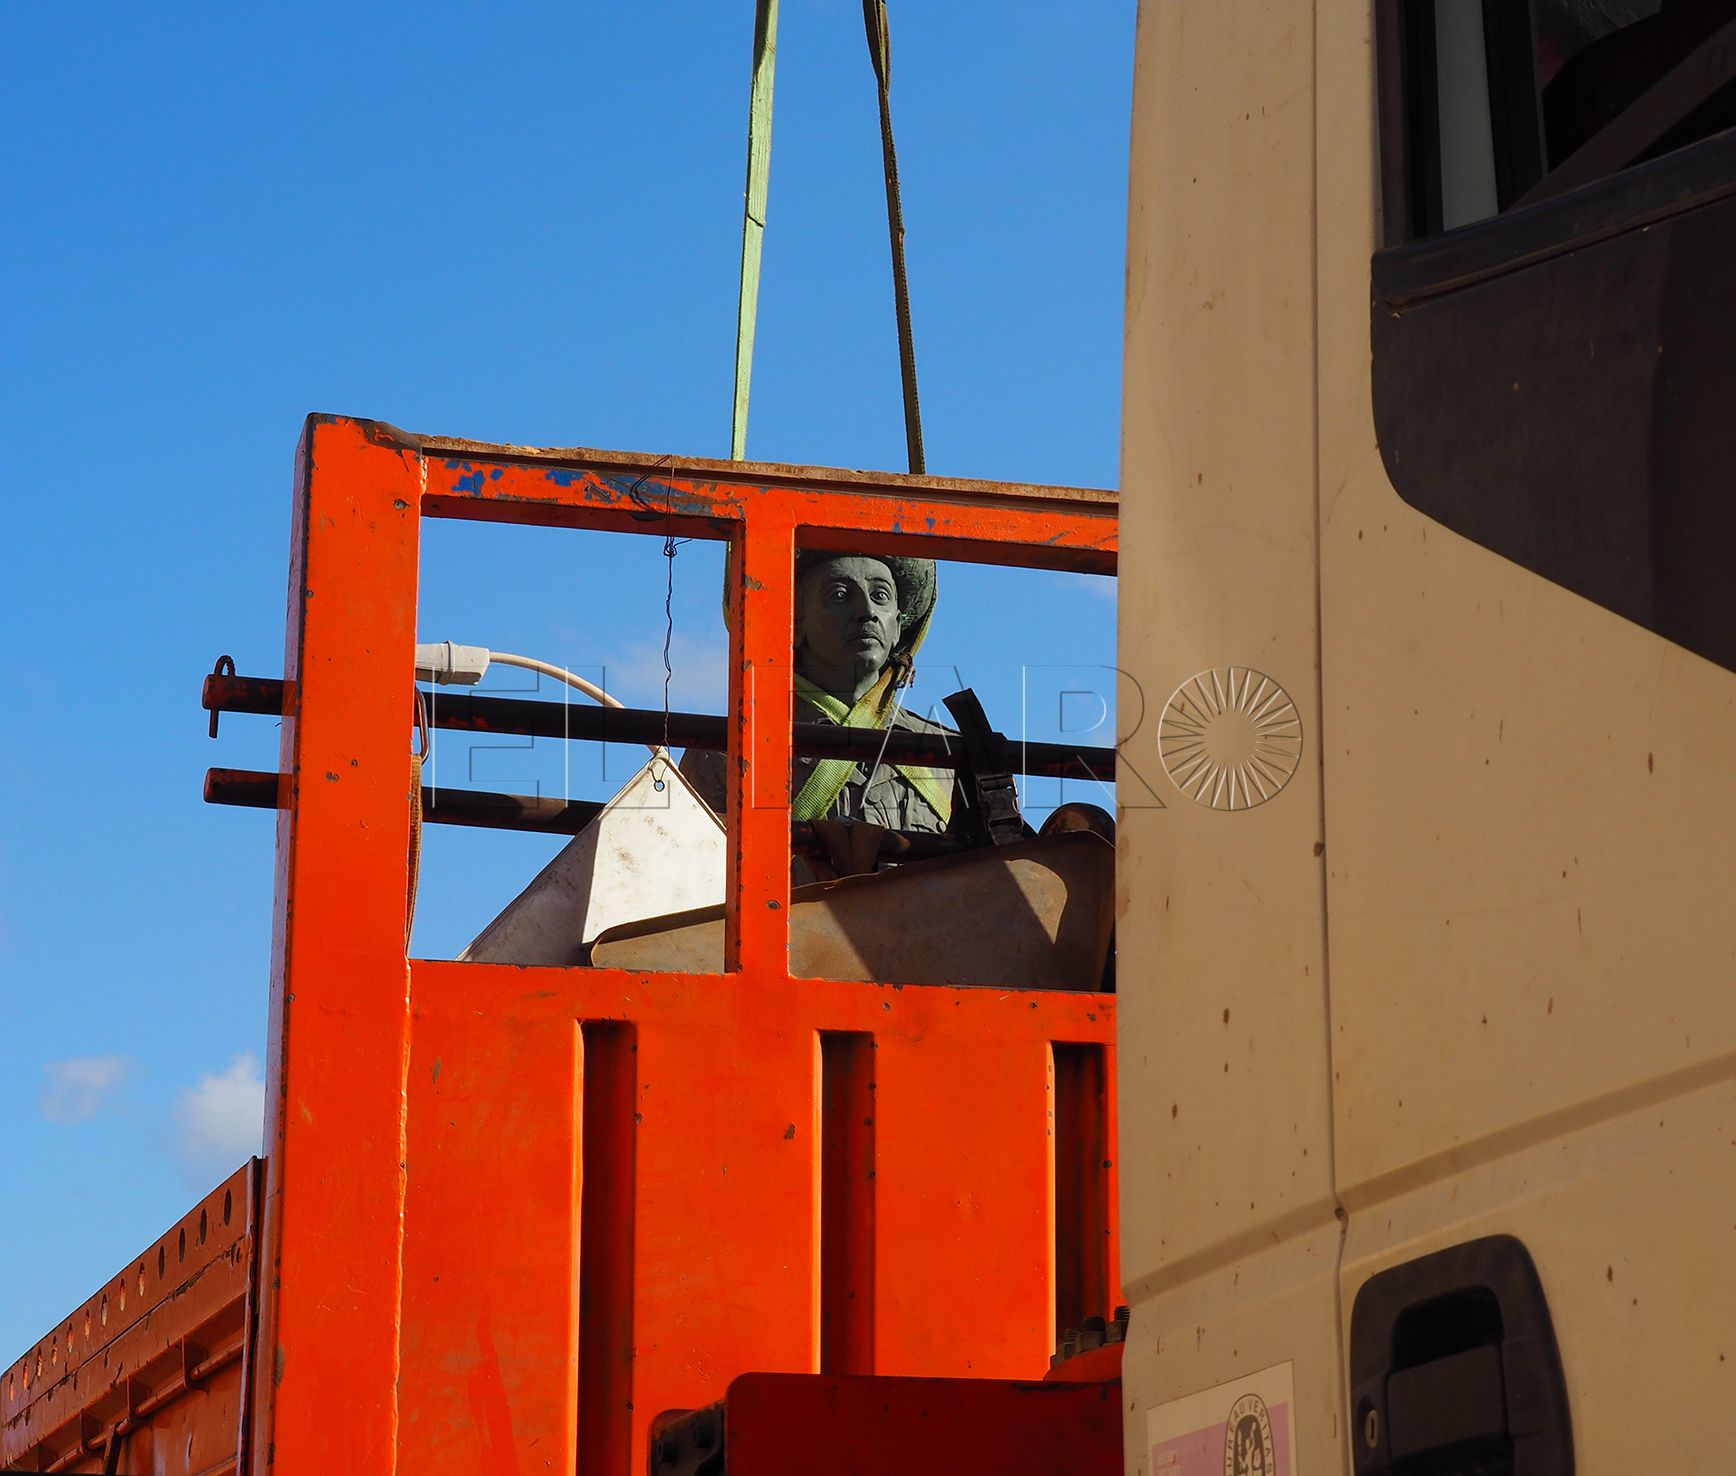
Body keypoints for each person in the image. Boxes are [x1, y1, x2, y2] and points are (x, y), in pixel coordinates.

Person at [679, 550, 960, 874]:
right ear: (795, 623)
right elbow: (688, 879)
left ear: (897, 626)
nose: (867, 612)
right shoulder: (724, 752)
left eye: (880, 595)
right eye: (839, 595)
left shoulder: (950, 754)